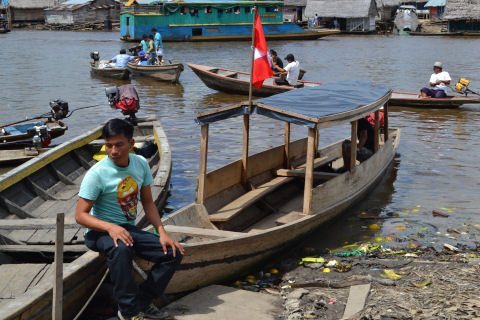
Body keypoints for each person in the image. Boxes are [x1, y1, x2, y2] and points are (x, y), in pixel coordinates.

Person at [75, 119, 184, 320]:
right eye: (108, 145)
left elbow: (149, 203)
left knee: (173, 252)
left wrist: (161, 232)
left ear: (131, 144)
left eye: (119, 145)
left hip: (126, 228)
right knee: (121, 249)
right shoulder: (97, 174)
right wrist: (110, 228)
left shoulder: (140, 163)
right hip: (99, 232)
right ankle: (128, 312)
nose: (113, 151)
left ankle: (142, 302)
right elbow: (80, 215)